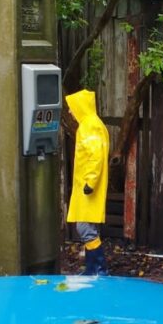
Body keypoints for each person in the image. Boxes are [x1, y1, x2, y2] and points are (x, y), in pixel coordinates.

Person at [65, 89, 109, 275]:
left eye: (71, 108)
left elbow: (95, 156)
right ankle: (93, 269)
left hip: (88, 188)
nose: (69, 112)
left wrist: (90, 181)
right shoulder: (92, 123)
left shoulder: (88, 126)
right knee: (88, 228)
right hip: (88, 186)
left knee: (84, 227)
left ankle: (98, 268)